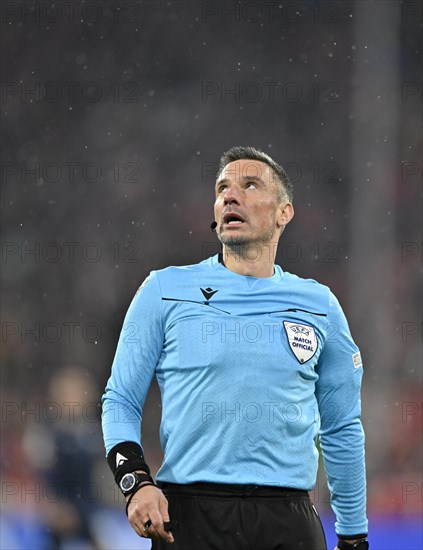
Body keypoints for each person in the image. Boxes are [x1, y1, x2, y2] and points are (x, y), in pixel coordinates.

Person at [101, 146, 369, 550]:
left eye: (249, 185)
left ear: (284, 212)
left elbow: (342, 426)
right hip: (189, 517)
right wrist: (136, 483)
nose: (230, 195)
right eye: (223, 187)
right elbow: (120, 399)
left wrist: (353, 536)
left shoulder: (320, 305)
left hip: (288, 521)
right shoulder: (164, 291)